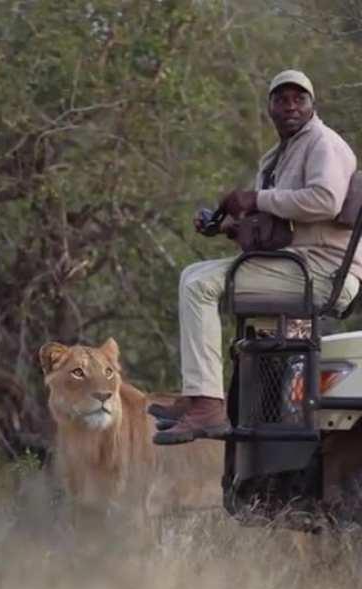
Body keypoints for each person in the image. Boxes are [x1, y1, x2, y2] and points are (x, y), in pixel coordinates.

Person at [150, 69, 362, 446]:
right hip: (296, 265)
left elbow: (325, 199)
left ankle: (208, 407)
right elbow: (280, 228)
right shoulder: (277, 156)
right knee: (198, 279)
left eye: (299, 98)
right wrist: (230, 228)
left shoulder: (322, 143)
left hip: (323, 271)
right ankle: (210, 399)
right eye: (282, 99)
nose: (290, 106)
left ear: (313, 105)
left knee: (199, 284)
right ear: (270, 107)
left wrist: (255, 199)